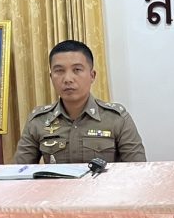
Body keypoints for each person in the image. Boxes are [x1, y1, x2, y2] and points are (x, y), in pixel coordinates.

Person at [14, 40, 146, 164]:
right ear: (51, 77)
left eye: (77, 70)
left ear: (92, 76)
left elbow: (138, 170)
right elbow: (18, 171)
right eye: (59, 71)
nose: (68, 79)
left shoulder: (116, 119)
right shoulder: (38, 121)